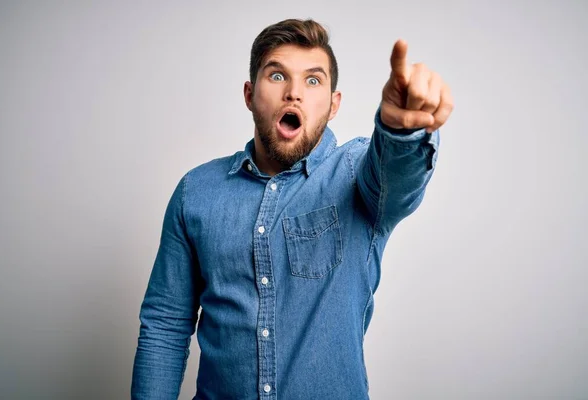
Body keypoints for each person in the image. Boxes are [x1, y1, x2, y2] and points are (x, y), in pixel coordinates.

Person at [131, 18, 453, 400]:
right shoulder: (195, 193)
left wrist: (399, 132)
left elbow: (396, 177)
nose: (294, 93)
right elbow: (165, 326)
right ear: (250, 94)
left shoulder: (356, 174)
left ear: (333, 105)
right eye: (277, 76)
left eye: (313, 80)